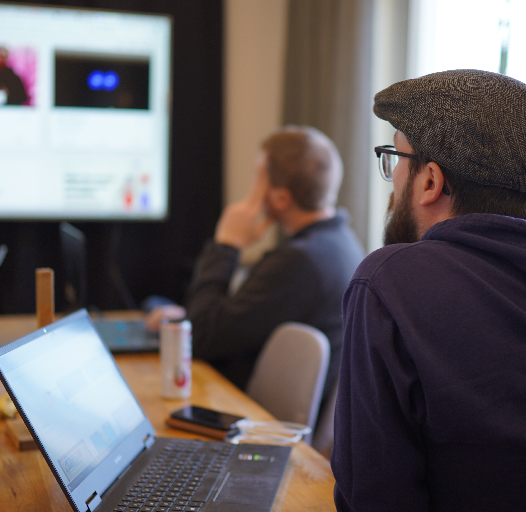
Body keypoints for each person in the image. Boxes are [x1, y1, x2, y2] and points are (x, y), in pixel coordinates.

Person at [331, 69, 526, 511]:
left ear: (430, 181)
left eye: (396, 158)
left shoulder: (390, 283)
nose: (393, 181)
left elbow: (373, 494)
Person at [146, 125, 365, 405]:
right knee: (156, 305)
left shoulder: (298, 261)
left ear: (281, 198)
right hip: (271, 393)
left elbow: (200, 338)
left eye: (257, 177)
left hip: (254, 413)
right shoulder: (341, 241)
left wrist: (227, 243)